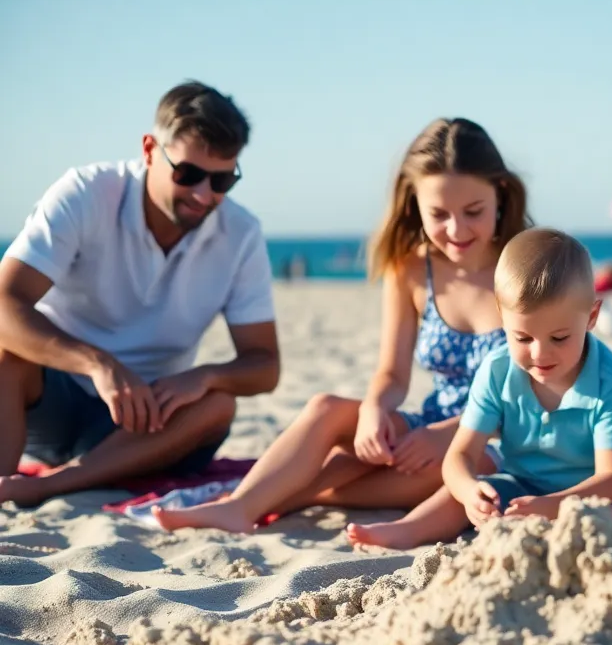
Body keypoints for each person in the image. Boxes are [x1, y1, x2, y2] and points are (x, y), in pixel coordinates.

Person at [153, 118, 527, 535]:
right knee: (327, 409)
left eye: (473, 211)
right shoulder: (410, 268)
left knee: (399, 469)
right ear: (414, 205)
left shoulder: (525, 267)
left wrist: (451, 434)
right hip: (429, 424)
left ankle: (288, 495)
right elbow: (392, 373)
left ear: (501, 194)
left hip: (498, 438)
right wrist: (375, 410)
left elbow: (546, 386)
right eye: (438, 214)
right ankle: (242, 505)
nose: (456, 229)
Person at [0, 81, 279, 507]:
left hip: (149, 424)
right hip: (51, 403)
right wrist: (98, 364)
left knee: (219, 403)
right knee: (7, 352)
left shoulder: (241, 233)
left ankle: (49, 486)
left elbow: (265, 365)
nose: (205, 194)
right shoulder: (86, 193)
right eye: (189, 174)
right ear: (150, 150)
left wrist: (204, 376)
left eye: (223, 179)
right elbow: (5, 303)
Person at [346, 228, 612, 548]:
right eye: (523, 338)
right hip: (519, 485)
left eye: (559, 338)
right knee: (465, 496)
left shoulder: (611, 378)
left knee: (602, 523)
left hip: (595, 496)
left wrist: (553, 506)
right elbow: (459, 455)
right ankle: (408, 529)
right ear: (502, 318)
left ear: (591, 317)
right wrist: (468, 490)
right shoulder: (497, 369)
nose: (540, 354)